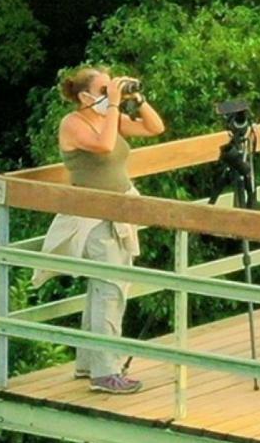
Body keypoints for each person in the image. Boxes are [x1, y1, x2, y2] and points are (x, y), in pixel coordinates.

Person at [33, 66, 165, 394]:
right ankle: (106, 373)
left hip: (119, 211)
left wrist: (136, 98)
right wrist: (115, 105)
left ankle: (89, 362)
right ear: (84, 96)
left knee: (101, 291)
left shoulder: (109, 115)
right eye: (104, 89)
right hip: (93, 219)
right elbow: (105, 146)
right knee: (110, 291)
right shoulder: (73, 124)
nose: (111, 93)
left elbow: (155, 127)